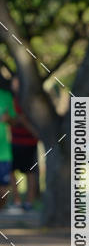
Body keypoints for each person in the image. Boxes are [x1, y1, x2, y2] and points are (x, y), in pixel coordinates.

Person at [10, 76, 39, 211]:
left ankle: (29, 202)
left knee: (30, 172)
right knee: (10, 171)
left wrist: (23, 121)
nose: (14, 84)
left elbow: (31, 123)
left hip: (29, 142)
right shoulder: (12, 101)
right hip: (14, 142)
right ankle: (16, 201)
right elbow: (13, 120)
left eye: (17, 82)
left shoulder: (31, 102)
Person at [0, 72, 16, 211]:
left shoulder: (5, 96)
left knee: (3, 189)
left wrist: (8, 119)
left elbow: (15, 120)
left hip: (3, 152)